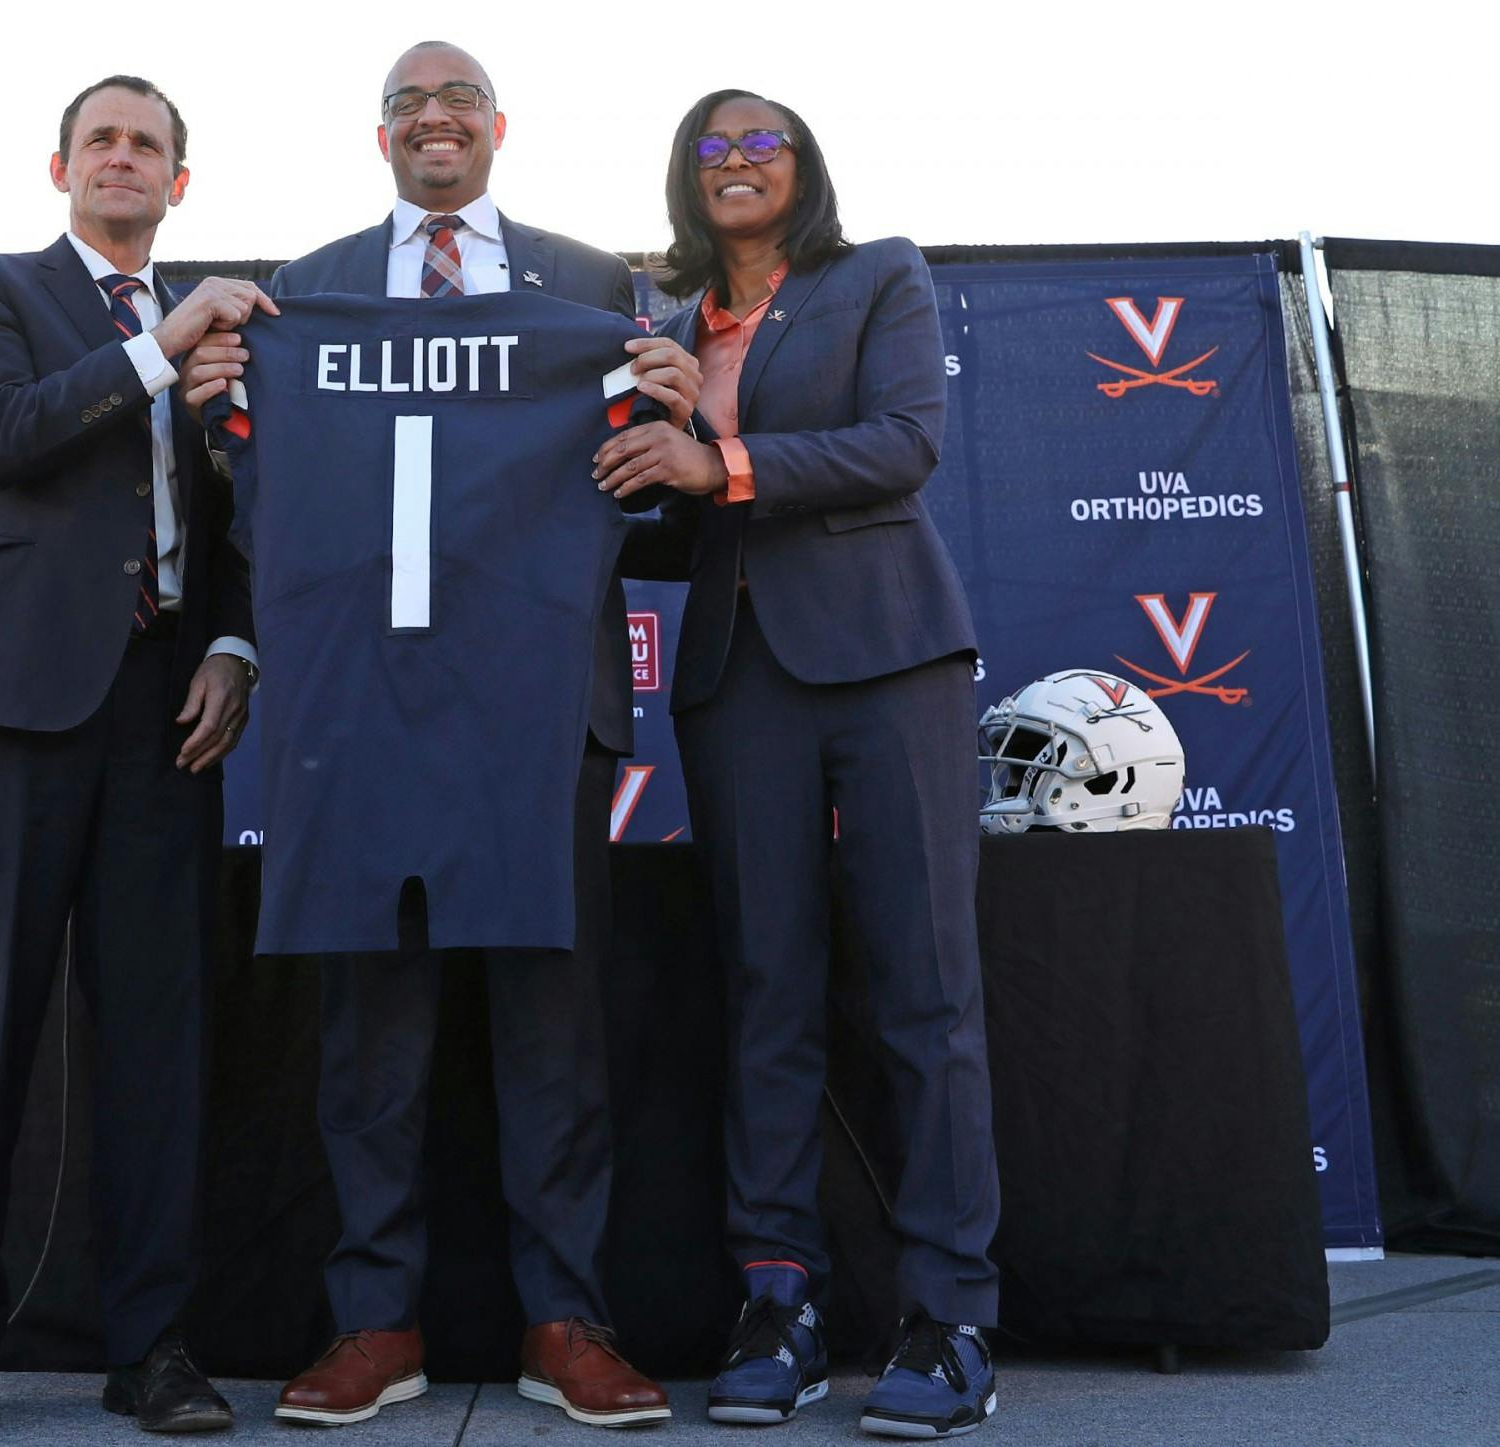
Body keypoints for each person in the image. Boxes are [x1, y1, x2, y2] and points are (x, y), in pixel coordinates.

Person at [177, 40, 696, 1431]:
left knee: (552, 1027)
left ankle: (567, 1319)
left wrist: (675, 422)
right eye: (408, 102)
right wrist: (224, 408)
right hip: (362, 710)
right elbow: (257, 513)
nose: (435, 119)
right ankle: (374, 1323)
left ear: (500, 127)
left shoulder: (590, 287)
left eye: (458, 98)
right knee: (371, 1037)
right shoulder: (309, 291)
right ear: (381, 136)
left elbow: (641, 504)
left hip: (536, 718)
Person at [601, 90, 1001, 1438]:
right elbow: (666, 522)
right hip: (733, 680)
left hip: (889, 662)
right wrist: (603, 484)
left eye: (759, 140)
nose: (734, 161)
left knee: (923, 992)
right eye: (709, 148)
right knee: (767, 995)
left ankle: (949, 1318)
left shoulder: (878, 275)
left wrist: (712, 459)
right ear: (683, 181)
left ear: (803, 167)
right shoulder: (656, 324)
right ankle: (779, 1300)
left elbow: (904, 447)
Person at [0, 74, 275, 1439]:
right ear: (62, 169)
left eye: (149, 145)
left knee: (161, 1045)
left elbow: (239, 518)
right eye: (101, 139)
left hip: (165, 713)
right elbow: (1, 437)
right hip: (0, 706)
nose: (124, 158)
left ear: (182, 182)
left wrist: (235, 649)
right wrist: (160, 347)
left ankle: (152, 1347)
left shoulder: (221, 342)